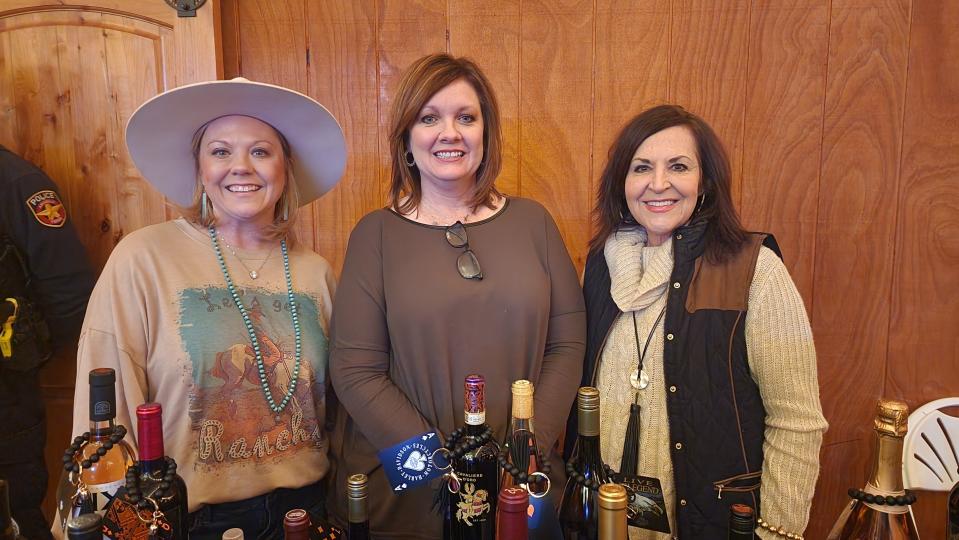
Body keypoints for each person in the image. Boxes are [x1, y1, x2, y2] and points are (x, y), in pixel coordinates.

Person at [68, 78, 346, 539]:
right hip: (190, 519)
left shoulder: (315, 272)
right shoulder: (144, 258)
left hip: (306, 510)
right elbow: (104, 402)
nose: (241, 167)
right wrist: (111, 520)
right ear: (199, 169)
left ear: (284, 169)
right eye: (220, 152)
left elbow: (335, 405)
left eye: (261, 151)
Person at [327, 53, 586, 538]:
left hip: (521, 478)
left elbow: (566, 344)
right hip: (410, 485)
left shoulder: (535, 223)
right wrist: (440, 470)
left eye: (466, 117)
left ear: (486, 134)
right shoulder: (375, 234)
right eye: (429, 118)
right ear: (407, 137)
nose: (450, 132)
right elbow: (355, 370)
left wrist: (526, 448)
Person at [568, 105, 827, 539]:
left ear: (705, 181)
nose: (658, 183)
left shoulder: (754, 271)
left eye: (679, 167)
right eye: (641, 167)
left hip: (714, 523)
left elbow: (796, 422)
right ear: (622, 182)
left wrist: (775, 534)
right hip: (607, 518)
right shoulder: (601, 264)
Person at [0, 145, 95, 540]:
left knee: (14, 515)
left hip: (6, 396)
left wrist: (31, 353)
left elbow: (69, 293)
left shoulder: (16, 182)